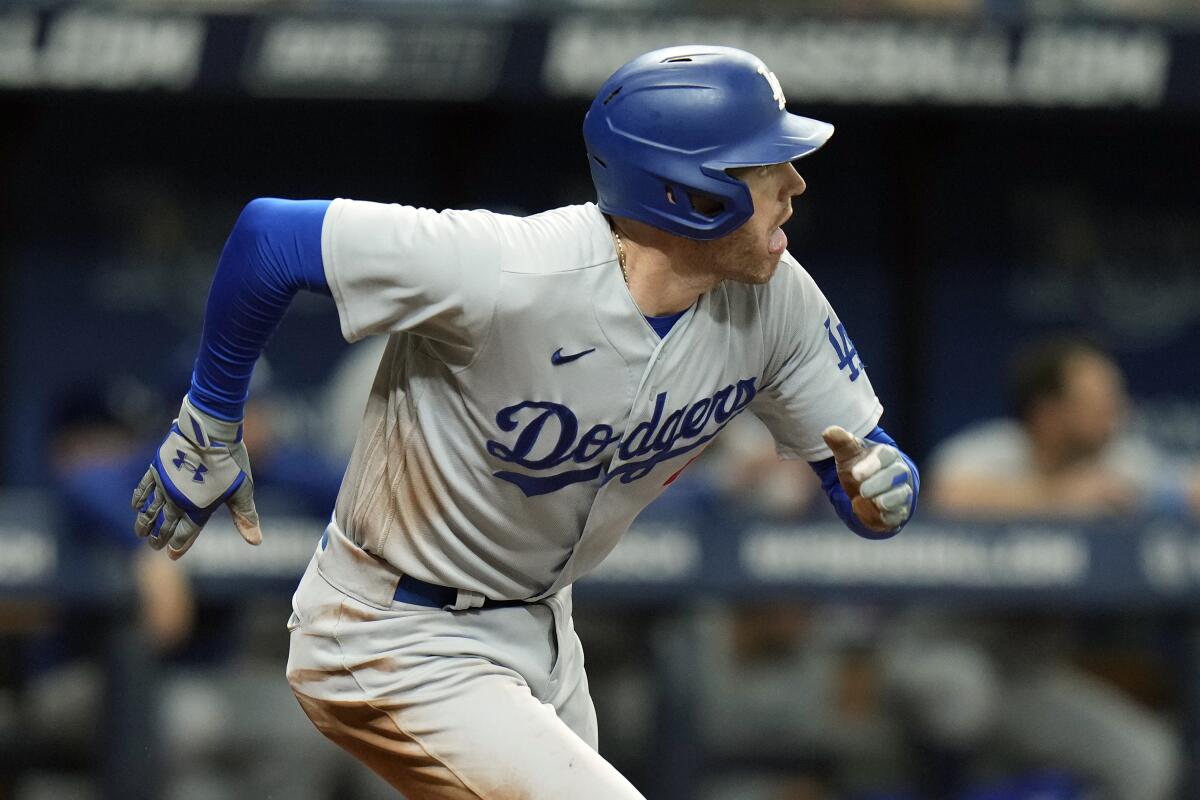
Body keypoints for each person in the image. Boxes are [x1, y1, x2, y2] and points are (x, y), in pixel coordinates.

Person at [128, 45, 919, 799]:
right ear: (691, 191)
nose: (794, 182)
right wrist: (208, 423)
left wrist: (880, 488)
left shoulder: (778, 298)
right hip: (391, 627)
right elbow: (271, 237)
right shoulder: (507, 268)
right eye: (764, 165)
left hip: (543, 630)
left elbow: (861, 477)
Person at [882, 336, 1189, 800]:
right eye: (1098, 401)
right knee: (964, 699)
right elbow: (949, 493)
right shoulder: (989, 451)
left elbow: (1184, 488)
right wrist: (1060, 500)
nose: (1116, 411)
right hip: (938, 651)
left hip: (1028, 675)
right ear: (1049, 413)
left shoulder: (1117, 463)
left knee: (1148, 759)